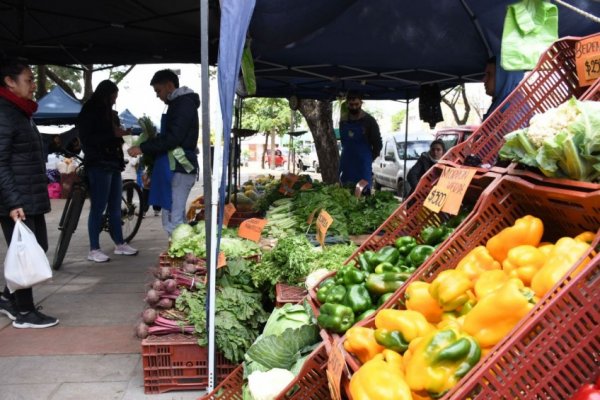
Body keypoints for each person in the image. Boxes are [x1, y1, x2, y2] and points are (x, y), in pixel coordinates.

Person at [0, 58, 59, 328]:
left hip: (29, 194)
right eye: (29, 80)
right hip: (18, 199)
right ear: (9, 82)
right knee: (25, 253)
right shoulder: (4, 112)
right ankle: (24, 312)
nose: (33, 86)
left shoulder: (20, 111)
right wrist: (13, 202)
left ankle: (7, 298)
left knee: (38, 248)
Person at [128, 69, 199, 236]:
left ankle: (181, 256)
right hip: (174, 168)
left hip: (181, 168)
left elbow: (173, 138)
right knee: (172, 216)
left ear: (169, 86)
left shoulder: (183, 104)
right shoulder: (177, 104)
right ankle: (178, 254)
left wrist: (142, 147)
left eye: (158, 91)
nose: (157, 96)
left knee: (174, 219)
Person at [77, 80, 138, 262]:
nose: (114, 100)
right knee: (98, 206)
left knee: (114, 207)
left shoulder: (109, 113)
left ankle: (119, 243)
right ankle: (93, 248)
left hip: (113, 163)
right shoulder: (90, 111)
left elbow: (111, 135)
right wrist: (114, 134)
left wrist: (118, 134)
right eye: (113, 96)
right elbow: (89, 138)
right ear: (106, 94)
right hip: (98, 163)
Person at [338, 92, 382, 190]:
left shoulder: (369, 121)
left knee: (363, 192)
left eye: (356, 104)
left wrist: (369, 158)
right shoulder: (343, 121)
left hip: (363, 164)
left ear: (361, 103)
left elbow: (378, 143)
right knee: (344, 193)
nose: (354, 107)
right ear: (347, 104)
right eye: (351, 105)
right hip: (347, 163)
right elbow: (343, 141)